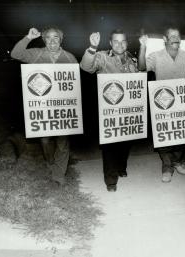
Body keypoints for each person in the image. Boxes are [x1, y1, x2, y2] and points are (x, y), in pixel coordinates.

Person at [11, 27, 78, 185]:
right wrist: (28, 38)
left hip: (63, 108)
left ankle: (58, 175)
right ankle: (50, 162)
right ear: (44, 39)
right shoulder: (36, 54)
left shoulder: (70, 58)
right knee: (46, 140)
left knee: (63, 141)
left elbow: (74, 84)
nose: (53, 41)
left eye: (56, 38)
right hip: (43, 107)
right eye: (49, 38)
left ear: (61, 40)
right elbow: (15, 54)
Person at [80, 29, 138, 192]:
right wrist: (92, 47)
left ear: (127, 43)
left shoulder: (132, 59)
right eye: (116, 41)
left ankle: (121, 166)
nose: (120, 44)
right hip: (109, 110)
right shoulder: (102, 56)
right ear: (111, 43)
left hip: (128, 110)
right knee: (110, 144)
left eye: (123, 41)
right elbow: (86, 67)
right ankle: (111, 180)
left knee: (126, 141)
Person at [138, 27, 185, 183]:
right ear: (165, 39)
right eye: (172, 36)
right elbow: (141, 67)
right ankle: (167, 167)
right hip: (163, 102)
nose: (175, 38)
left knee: (183, 136)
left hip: (183, 103)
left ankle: (176, 162)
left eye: (178, 35)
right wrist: (143, 47)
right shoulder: (156, 56)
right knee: (164, 137)